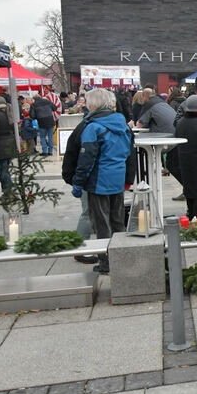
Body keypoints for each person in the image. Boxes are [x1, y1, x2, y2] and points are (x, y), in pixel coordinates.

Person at [70, 88, 135, 274]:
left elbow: (86, 159)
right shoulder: (123, 124)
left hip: (99, 181)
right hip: (118, 179)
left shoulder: (93, 127)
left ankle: (106, 264)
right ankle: (121, 257)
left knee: (102, 224)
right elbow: (130, 154)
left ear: (93, 105)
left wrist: (78, 182)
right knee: (117, 221)